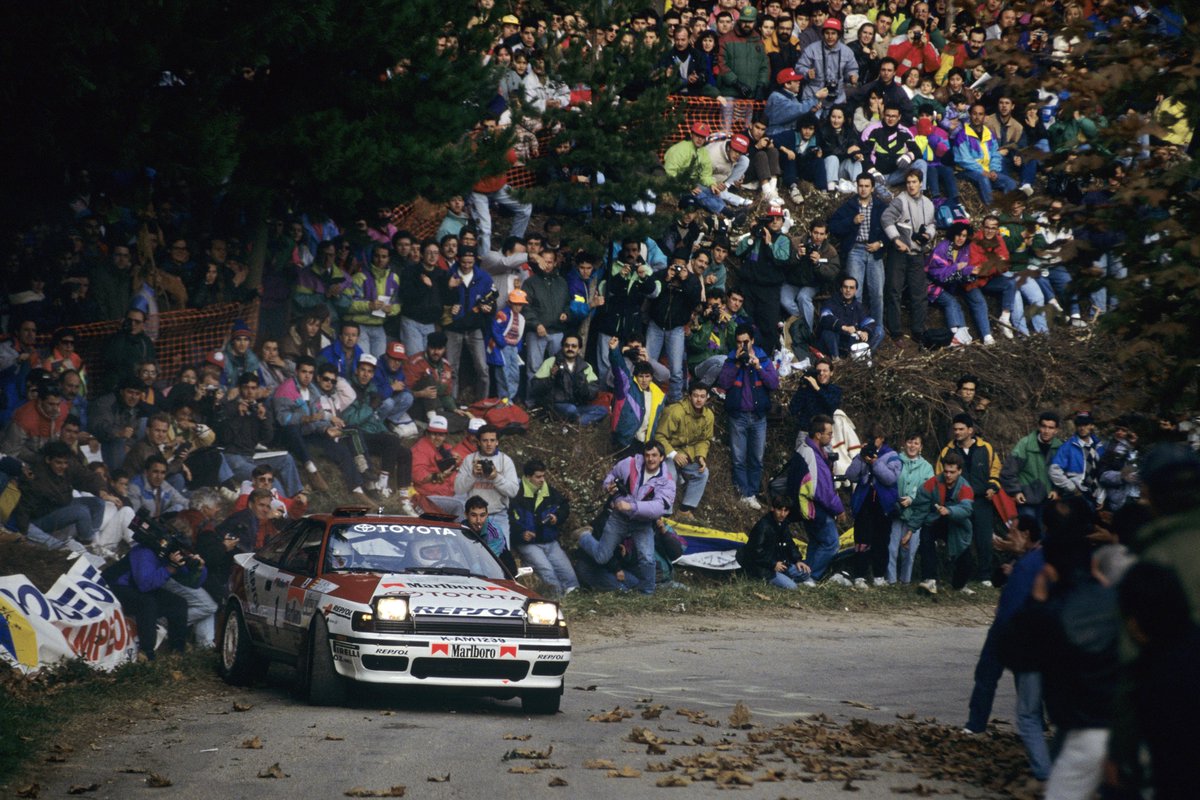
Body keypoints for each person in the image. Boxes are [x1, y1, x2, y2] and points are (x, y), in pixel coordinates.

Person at [998, 497, 1119, 800]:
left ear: (1049, 571)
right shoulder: (1116, 602)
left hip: (1087, 727)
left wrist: (1036, 601)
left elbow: (1014, 653)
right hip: (1127, 724)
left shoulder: (1050, 615)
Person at [577, 441, 676, 595]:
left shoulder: (667, 481)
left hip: (642, 522)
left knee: (647, 558)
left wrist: (632, 506)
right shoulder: (629, 464)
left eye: (654, 455)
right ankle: (583, 536)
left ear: (662, 457)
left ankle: (647, 594)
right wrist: (608, 486)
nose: (650, 459)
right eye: (647, 455)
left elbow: (658, 507)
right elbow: (611, 476)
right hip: (619, 518)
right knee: (602, 557)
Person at [103, 531, 203, 660]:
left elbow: (193, 583)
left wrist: (198, 568)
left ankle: (178, 649)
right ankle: (146, 652)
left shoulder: (169, 555)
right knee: (147, 603)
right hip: (117, 586)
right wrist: (171, 567)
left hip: (138, 587)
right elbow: (144, 584)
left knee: (179, 603)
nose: (182, 554)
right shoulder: (145, 551)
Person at [718, 324, 780, 508]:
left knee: (757, 458)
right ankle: (743, 494)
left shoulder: (762, 358)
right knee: (739, 458)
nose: (742, 346)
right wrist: (737, 364)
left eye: (745, 342)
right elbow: (723, 383)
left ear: (752, 340)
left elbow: (774, 383)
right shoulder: (731, 359)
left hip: (758, 417)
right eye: (739, 342)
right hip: (738, 416)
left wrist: (758, 366)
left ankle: (752, 492)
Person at [937, 414, 1002, 587]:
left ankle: (985, 575)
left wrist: (992, 487)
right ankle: (959, 576)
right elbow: (940, 475)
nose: (957, 432)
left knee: (984, 539)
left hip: (982, 500)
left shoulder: (986, 448)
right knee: (959, 539)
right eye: (955, 429)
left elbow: (995, 469)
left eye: (961, 429)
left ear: (970, 430)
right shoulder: (947, 451)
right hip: (959, 503)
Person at [10, 441, 105, 550]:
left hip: (61, 505)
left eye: (65, 463)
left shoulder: (68, 468)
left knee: (98, 503)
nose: (63, 466)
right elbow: (24, 508)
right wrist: (23, 532)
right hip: (42, 517)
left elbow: (87, 477)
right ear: (48, 460)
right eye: (58, 463)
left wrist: (102, 491)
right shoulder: (36, 478)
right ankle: (88, 542)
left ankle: (92, 539)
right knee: (81, 511)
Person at [508, 458, 579, 597]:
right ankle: (557, 599)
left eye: (543, 476)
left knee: (568, 574)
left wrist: (557, 517)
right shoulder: (515, 494)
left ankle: (574, 597)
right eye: (538, 477)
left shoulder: (549, 491)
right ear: (528, 477)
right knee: (547, 571)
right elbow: (508, 519)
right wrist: (521, 533)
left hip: (549, 540)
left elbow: (564, 507)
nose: (542, 480)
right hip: (528, 543)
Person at [828, 174, 888, 330]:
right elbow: (833, 226)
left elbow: (891, 229)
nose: (863, 189)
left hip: (874, 251)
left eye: (867, 186)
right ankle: (857, 330)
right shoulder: (850, 206)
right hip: (855, 250)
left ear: (872, 188)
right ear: (857, 187)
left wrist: (880, 243)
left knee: (878, 294)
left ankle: (877, 329)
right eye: (860, 186)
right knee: (856, 292)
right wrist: (851, 221)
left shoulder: (880, 206)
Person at [910, 450, 976, 593]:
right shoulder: (932, 482)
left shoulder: (965, 487)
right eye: (946, 471)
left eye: (952, 472)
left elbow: (966, 509)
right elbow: (921, 506)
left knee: (964, 555)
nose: (948, 475)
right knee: (926, 539)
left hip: (956, 524)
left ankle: (960, 585)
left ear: (959, 471)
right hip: (934, 521)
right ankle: (929, 579)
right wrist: (911, 530)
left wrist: (950, 511)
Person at [844, 424, 901, 587]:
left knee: (881, 539)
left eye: (873, 439)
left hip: (883, 503)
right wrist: (860, 458)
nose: (870, 442)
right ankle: (859, 575)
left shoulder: (892, 456)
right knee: (861, 539)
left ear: (881, 438)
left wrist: (875, 463)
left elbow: (890, 479)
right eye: (868, 438)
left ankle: (879, 575)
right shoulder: (863, 454)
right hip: (865, 501)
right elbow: (851, 475)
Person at [646, 252, 703, 403]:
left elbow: (695, 302)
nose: (678, 268)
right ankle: (647, 397)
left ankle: (675, 401)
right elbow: (651, 293)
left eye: (682, 266)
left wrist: (685, 281)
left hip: (676, 328)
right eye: (676, 265)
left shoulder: (692, 280)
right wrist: (666, 280)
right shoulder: (661, 274)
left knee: (676, 370)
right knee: (647, 363)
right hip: (656, 325)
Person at [734, 207, 791, 352]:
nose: (774, 221)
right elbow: (739, 252)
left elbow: (782, 259)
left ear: (782, 222)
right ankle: (743, 353)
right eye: (771, 218)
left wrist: (769, 243)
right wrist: (752, 236)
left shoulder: (783, 240)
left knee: (768, 325)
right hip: (749, 287)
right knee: (745, 322)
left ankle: (766, 356)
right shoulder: (756, 236)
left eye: (778, 219)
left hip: (769, 290)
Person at [796, 414, 845, 581]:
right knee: (832, 543)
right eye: (829, 433)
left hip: (806, 507)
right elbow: (822, 490)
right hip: (816, 508)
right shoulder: (813, 455)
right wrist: (839, 509)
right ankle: (811, 577)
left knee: (816, 543)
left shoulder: (806, 449)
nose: (831, 437)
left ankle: (802, 575)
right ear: (818, 434)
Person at [656, 383, 715, 520]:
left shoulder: (708, 415)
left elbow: (704, 440)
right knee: (670, 475)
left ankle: (684, 510)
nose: (699, 400)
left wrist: (701, 456)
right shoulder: (676, 411)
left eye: (702, 396)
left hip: (688, 453)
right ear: (689, 396)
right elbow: (659, 436)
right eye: (695, 396)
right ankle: (665, 512)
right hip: (668, 452)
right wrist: (674, 455)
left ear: (707, 398)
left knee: (702, 473)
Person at [454, 424, 518, 541]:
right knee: (472, 550)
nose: (489, 444)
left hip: (497, 515)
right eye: (485, 440)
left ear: (497, 442)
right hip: (474, 517)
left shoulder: (505, 460)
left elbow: (513, 491)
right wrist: (472, 476)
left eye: (492, 440)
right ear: (478, 442)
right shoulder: (470, 459)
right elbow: (458, 489)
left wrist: (496, 477)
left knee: (500, 551)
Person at [1001, 411, 1063, 525]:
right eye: (1043, 426)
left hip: (1048, 499)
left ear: (1056, 430)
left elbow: (1063, 473)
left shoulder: (1059, 447)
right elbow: (1008, 471)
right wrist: (1016, 492)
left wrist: (1056, 490)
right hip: (1027, 497)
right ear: (1039, 427)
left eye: (1050, 428)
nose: (1046, 431)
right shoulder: (1025, 444)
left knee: (1045, 531)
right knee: (1029, 531)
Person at [738, 496, 814, 588]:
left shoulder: (783, 523)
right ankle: (774, 580)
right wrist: (773, 564)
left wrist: (797, 560)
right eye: (779, 510)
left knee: (806, 573)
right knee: (792, 587)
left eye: (786, 511)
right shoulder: (763, 526)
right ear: (772, 509)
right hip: (765, 567)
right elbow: (755, 551)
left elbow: (790, 543)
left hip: (781, 563)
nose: (782, 514)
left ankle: (786, 578)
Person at [530, 333, 604, 424]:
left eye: (574, 346)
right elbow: (535, 387)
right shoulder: (551, 362)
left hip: (577, 405)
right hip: (556, 405)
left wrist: (583, 384)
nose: (570, 348)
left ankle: (578, 421)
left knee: (602, 410)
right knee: (571, 409)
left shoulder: (585, 366)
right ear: (562, 347)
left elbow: (593, 391)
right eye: (567, 345)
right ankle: (577, 420)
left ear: (579, 349)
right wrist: (551, 377)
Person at [608, 337, 665, 454]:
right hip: (624, 441)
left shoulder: (659, 395)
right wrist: (615, 351)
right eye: (641, 376)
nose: (644, 380)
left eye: (647, 376)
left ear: (652, 377)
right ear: (636, 377)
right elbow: (620, 370)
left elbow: (666, 375)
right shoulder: (627, 387)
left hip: (646, 444)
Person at [342, 244, 401, 357]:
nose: (380, 260)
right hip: (359, 325)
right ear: (372, 257)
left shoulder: (394, 278)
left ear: (389, 259)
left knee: (379, 361)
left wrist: (391, 310)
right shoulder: (360, 277)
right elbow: (347, 304)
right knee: (364, 359)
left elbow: (397, 303)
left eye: (384, 257)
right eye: (377, 256)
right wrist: (369, 305)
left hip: (379, 325)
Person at [891, 432, 934, 585]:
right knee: (892, 548)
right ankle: (890, 579)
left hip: (915, 514)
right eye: (910, 442)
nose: (912, 446)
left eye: (916, 443)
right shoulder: (895, 460)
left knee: (910, 550)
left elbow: (929, 490)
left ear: (921, 447)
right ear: (904, 444)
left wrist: (912, 499)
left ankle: (905, 580)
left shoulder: (927, 467)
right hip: (896, 511)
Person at [1049, 411, 1105, 508]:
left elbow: (1102, 473)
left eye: (1085, 424)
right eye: (1079, 425)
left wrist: (1101, 496)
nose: (1082, 428)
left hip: (1096, 495)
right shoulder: (1068, 447)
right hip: (1077, 494)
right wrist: (1072, 488)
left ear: (1091, 426)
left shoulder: (1098, 446)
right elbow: (1054, 471)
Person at [817, 274, 882, 357]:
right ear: (841, 289)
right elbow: (825, 317)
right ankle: (836, 358)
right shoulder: (832, 302)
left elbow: (869, 321)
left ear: (855, 290)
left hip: (851, 344)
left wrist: (866, 331)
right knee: (828, 332)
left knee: (879, 331)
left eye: (851, 288)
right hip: (835, 343)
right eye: (845, 287)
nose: (848, 290)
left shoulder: (858, 306)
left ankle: (863, 355)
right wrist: (843, 327)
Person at [787, 357, 841, 439]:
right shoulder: (808, 389)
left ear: (831, 373)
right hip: (807, 433)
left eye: (825, 371)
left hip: (825, 435)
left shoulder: (835, 390)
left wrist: (818, 389)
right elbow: (793, 409)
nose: (821, 373)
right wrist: (803, 386)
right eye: (819, 371)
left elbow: (832, 406)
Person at [464, 494, 516, 574]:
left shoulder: (494, 533)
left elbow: (488, 563)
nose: (478, 520)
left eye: (482, 515)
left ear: (487, 515)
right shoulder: (461, 528)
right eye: (474, 515)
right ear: (466, 515)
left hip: (501, 572)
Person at [128, 454, 189, 518]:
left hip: (158, 520)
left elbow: (183, 501)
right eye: (155, 472)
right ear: (146, 472)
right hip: (141, 521)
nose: (159, 477)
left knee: (179, 507)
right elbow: (134, 515)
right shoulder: (135, 487)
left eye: (163, 473)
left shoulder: (164, 485)